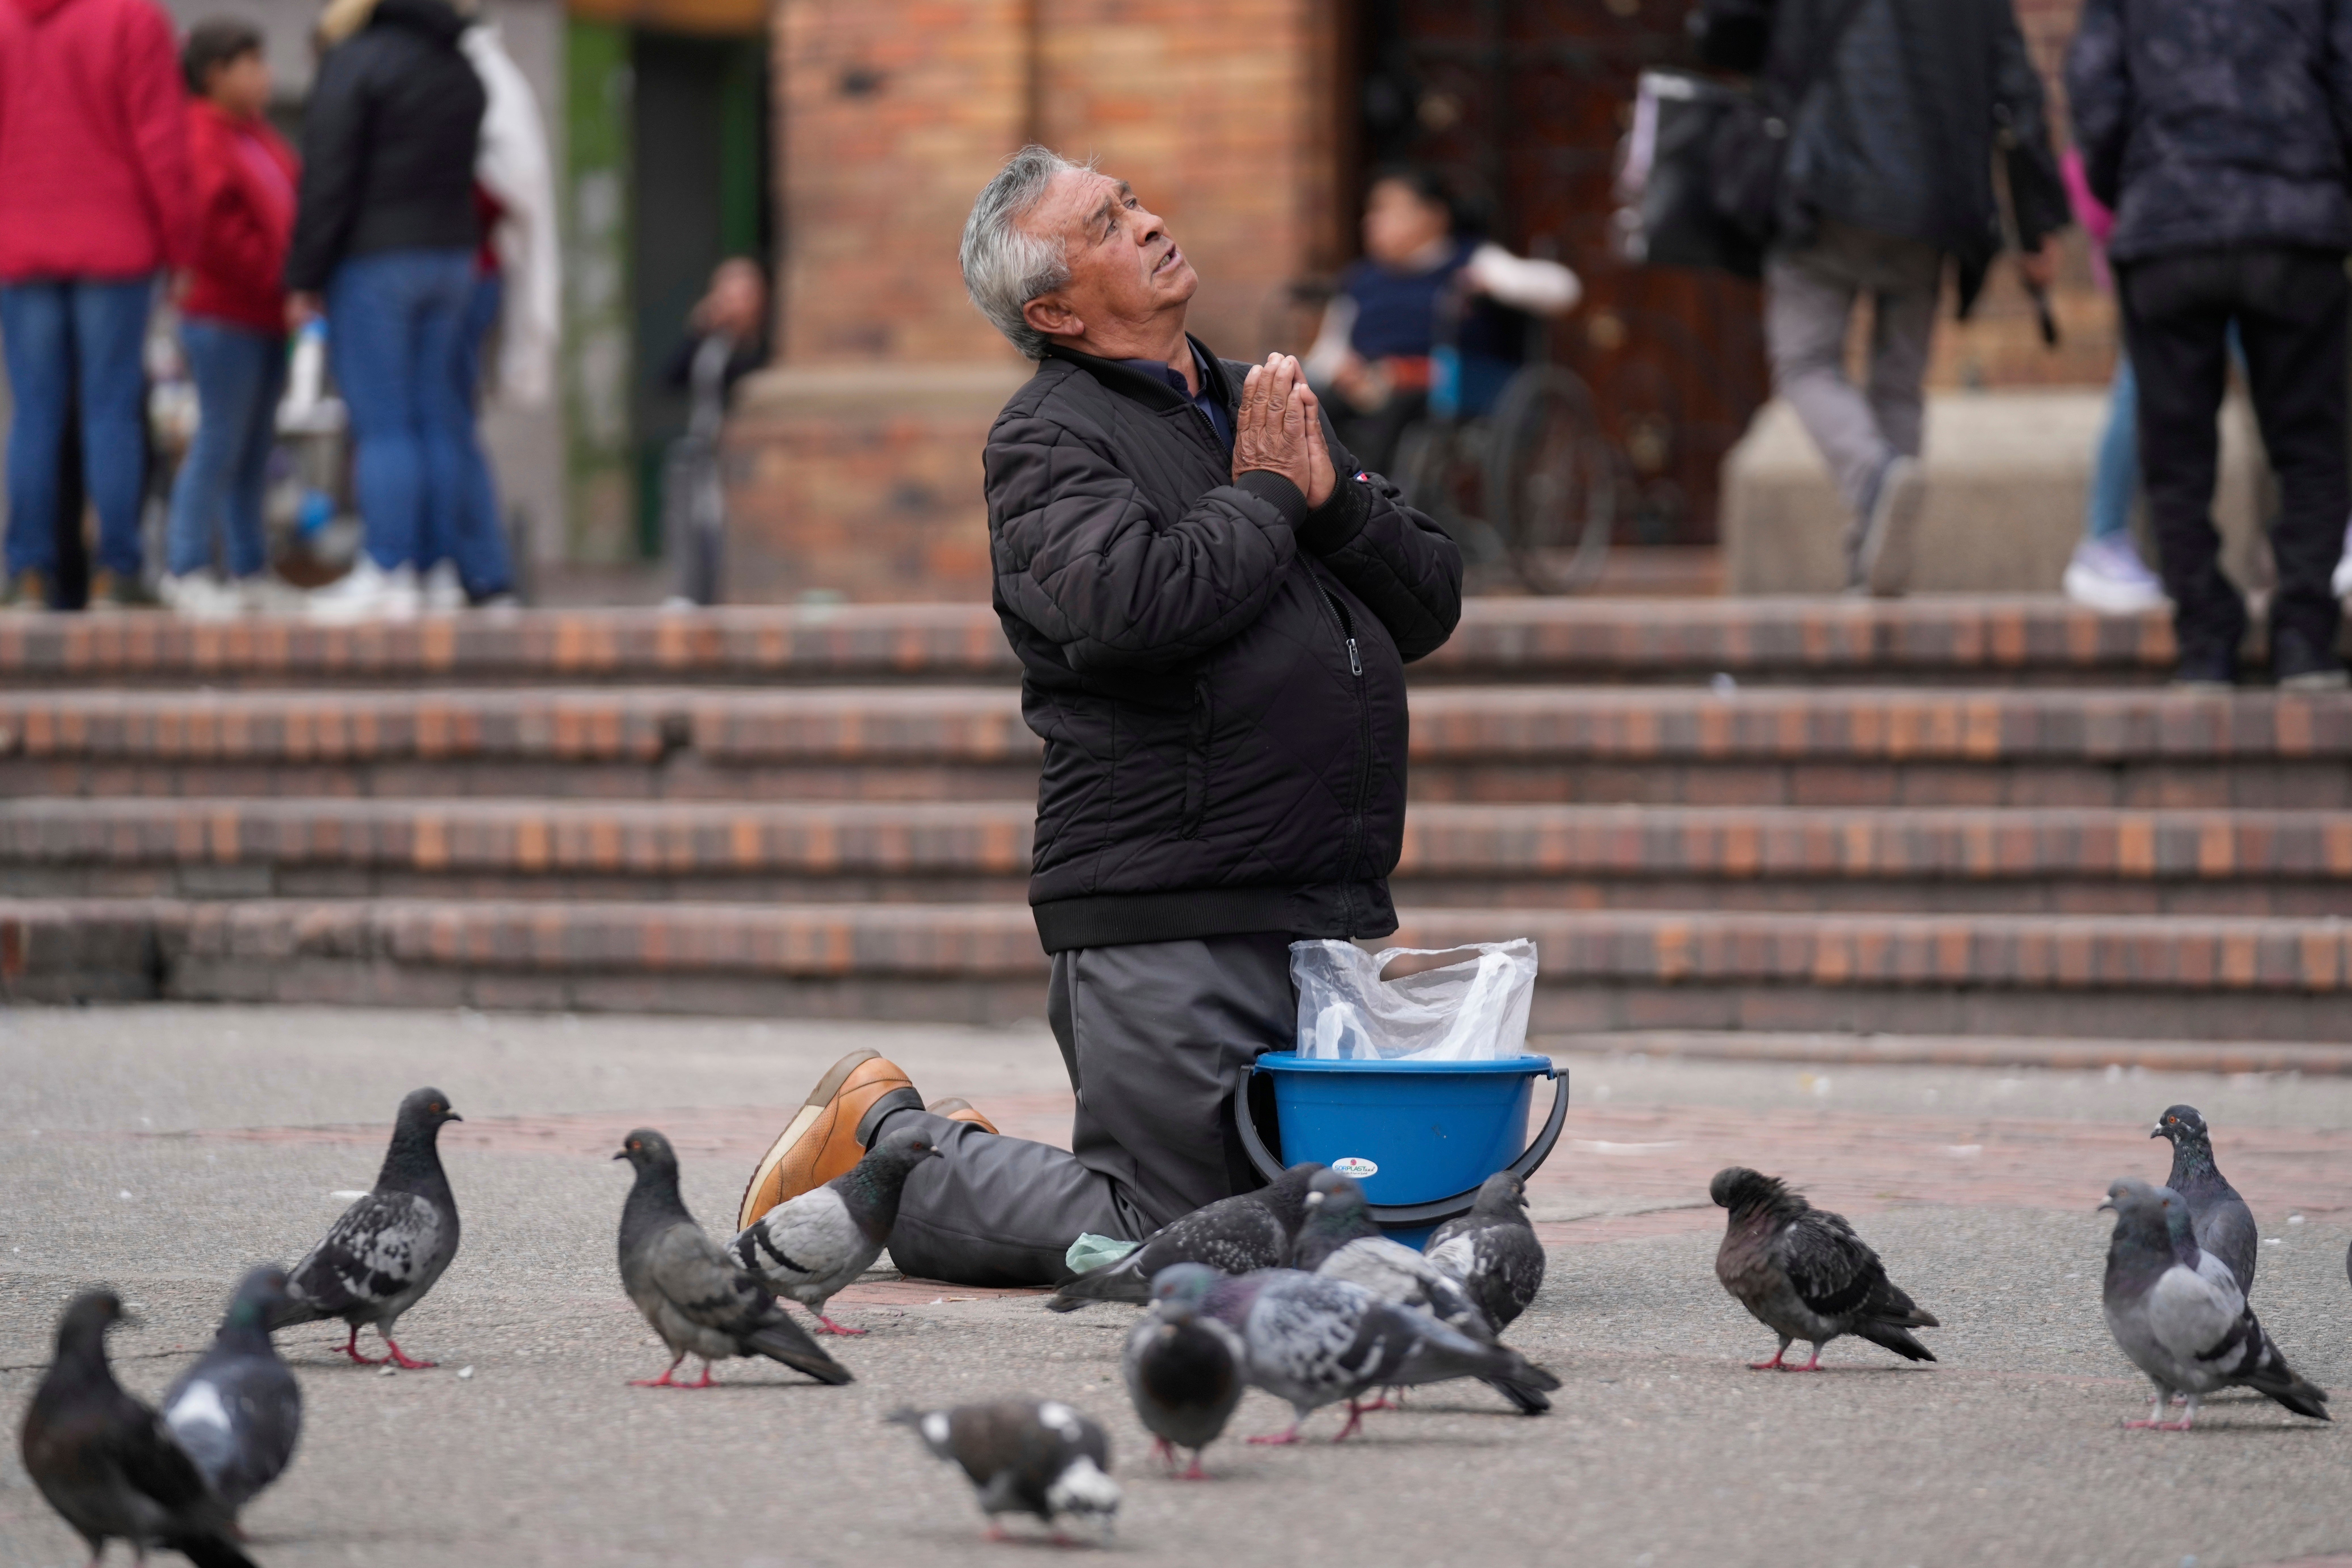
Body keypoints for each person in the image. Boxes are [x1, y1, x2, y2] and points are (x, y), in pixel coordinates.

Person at [732, 148, 1464, 1287]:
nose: (1151, 221)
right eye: (1108, 223)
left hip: (1311, 894)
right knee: (1169, 1237)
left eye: (1134, 201)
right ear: (1054, 307)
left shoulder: (1249, 397)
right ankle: (891, 1150)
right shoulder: (1045, 441)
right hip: (1163, 903)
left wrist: (1326, 499)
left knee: (1279, 1232)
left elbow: (1427, 601)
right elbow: (1134, 607)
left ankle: (935, 1153)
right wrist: (1272, 490)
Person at [1702, 0, 2066, 597]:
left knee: (1805, 361)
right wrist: (2036, 226)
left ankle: (1873, 483)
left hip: (1821, 188)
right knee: (1898, 383)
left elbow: (1726, 32)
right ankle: (1874, 566)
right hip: (1934, 205)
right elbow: (2017, 95)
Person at [2069, 0, 2352, 690]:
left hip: (2166, 225)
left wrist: (2130, 184)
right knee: (2311, 442)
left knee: (2175, 454)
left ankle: (2203, 641)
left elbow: (2093, 90)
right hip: (2294, 226)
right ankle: (2303, 637)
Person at [286, 0, 484, 623]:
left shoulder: (358, 62)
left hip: (377, 258)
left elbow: (328, 174)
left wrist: (305, 273)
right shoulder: (460, 66)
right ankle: (440, 570)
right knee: (436, 418)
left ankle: (389, 567)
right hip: (454, 257)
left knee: (384, 423)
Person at [0, 0, 194, 611]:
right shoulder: (133, 19)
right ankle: (117, 570)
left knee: (34, 412)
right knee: (111, 410)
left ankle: (27, 571)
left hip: (20, 241)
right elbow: (162, 140)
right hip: (115, 241)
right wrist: (182, 247)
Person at [1303, 168, 1580, 476]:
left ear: (1433, 216)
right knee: (1316, 406)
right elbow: (1327, 352)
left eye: (1387, 210)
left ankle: (1369, 498)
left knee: (1394, 407)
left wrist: (1492, 283)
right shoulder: (1360, 280)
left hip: (1455, 382)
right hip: (1370, 380)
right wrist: (1340, 368)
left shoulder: (1472, 261)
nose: (1371, 221)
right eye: (1372, 211)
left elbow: (1563, 290)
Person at [161, 18, 303, 621]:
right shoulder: (199, 135)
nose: (265, 75)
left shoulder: (257, 135)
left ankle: (250, 568)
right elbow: (216, 231)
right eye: (253, 63)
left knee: (253, 449)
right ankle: (186, 566)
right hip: (222, 313)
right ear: (216, 73)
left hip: (268, 314)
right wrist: (281, 278)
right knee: (219, 439)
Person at [419, 18, 555, 614]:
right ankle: (470, 566)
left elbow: (508, 184)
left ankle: (471, 567)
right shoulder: (484, 73)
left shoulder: (475, 77)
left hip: (463, 270)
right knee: (446, 420)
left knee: (444, 420)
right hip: (466, 269)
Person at [2057, 148, 2166, 615]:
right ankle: (2104, 537)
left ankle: (2108, 538)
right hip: (2162, 234)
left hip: (2175, 225)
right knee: (2141, 380)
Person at [660, 257, 766, 606]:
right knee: (691, 520)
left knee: (727, 526)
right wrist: (698, 330)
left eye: (740, 294)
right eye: (725, 292)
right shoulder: (711, 343)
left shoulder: (759, 346)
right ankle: (690, 593)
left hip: (740, 453)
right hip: (702, 444)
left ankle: (728, 595)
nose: (731, 303)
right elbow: (670, 380)